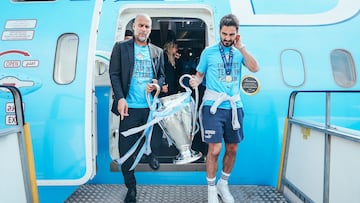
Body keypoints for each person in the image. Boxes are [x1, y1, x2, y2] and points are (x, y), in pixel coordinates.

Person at [189, 14, 259, 203]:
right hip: (213, 107)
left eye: (231, 34)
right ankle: (211, 190)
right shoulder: (208, 52)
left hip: (234, 107)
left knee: (233, 149)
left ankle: (223, 184)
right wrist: (196, 80)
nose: (227, 38)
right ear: (219, 31)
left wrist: (242, 48)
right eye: (224, 34)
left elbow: (255, 68)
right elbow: (199, 75)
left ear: (237, 34)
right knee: (214, 149)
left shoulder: (239, 53)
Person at [109, 14, 165, 203]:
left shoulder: (157, 51)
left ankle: (151, 154)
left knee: (154, 140)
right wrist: (121, 98)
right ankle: (131, 187)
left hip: (151, 108)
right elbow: (114, 74)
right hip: (129, 108)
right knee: (125, 150)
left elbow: (162, 77)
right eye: (140, 25)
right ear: (134, 26)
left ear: (150, 29)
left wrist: (157, 86)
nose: (143, 29)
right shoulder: (121, 48)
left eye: (147, 26)